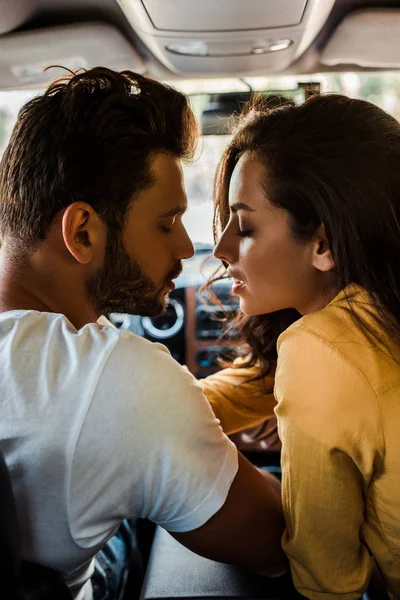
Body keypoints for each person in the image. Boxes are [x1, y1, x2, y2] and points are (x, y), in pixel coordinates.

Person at [0, 67, 286, 600]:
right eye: (166, 222)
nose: (185, 248)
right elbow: (276, 544)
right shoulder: (116, 379)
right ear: (82, 231)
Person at [212, 93, 400, 599]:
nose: (220, 248)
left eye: (245, 226)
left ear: (324, 245)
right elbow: (254, 386)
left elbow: (327, 578)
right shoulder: (375, 321)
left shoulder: (323, 350)